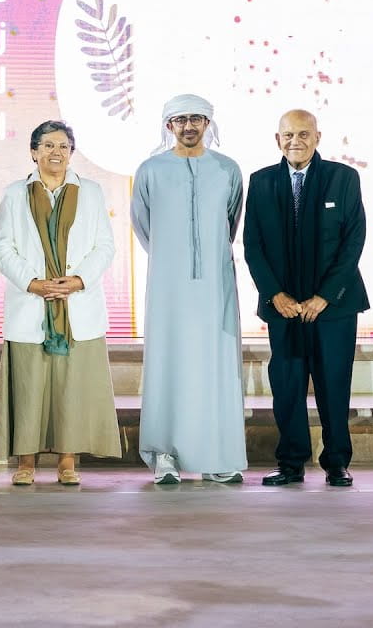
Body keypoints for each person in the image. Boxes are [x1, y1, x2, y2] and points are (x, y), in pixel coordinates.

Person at [0, 120, 122, 485]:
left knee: (71, 390)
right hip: (30, 303)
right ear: (33, 152)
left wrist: (77, 281)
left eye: (62, 146)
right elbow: (4, 247)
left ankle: (68, 461)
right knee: (29, 388)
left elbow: (105, 245)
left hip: (77, 306)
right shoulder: (15, 193)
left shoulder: (92, 192)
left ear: (71, 152)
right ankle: (26, 462)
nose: (55, 152)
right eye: (47, 145)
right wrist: (33, 284)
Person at [244, 109, 368, 487]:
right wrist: (274, 294)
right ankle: (291, 463)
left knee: (333, 385)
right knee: (287, 386)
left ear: (317, 137)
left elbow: (354, 240)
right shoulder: (262, 181)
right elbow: (253, 243)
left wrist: (324, 296)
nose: (295, 142)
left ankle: (336, 463)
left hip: (333, 307)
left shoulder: (343, 178)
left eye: (303, 134)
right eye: (288, 135)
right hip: (283, 308)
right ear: (276, 139)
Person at [130, 94, 246, 484]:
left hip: (215, 285)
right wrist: (172, 259)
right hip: (168, 289)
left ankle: (214, 455)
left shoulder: (228, 170)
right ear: (168, 126)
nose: (189, 126)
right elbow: (144, 225)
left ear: (209, 124)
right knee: (168, 364)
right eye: (180, 120)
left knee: (213, 366)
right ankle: (165, 453)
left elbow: (229, 223)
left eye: (197, 118)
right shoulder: (150, 170)